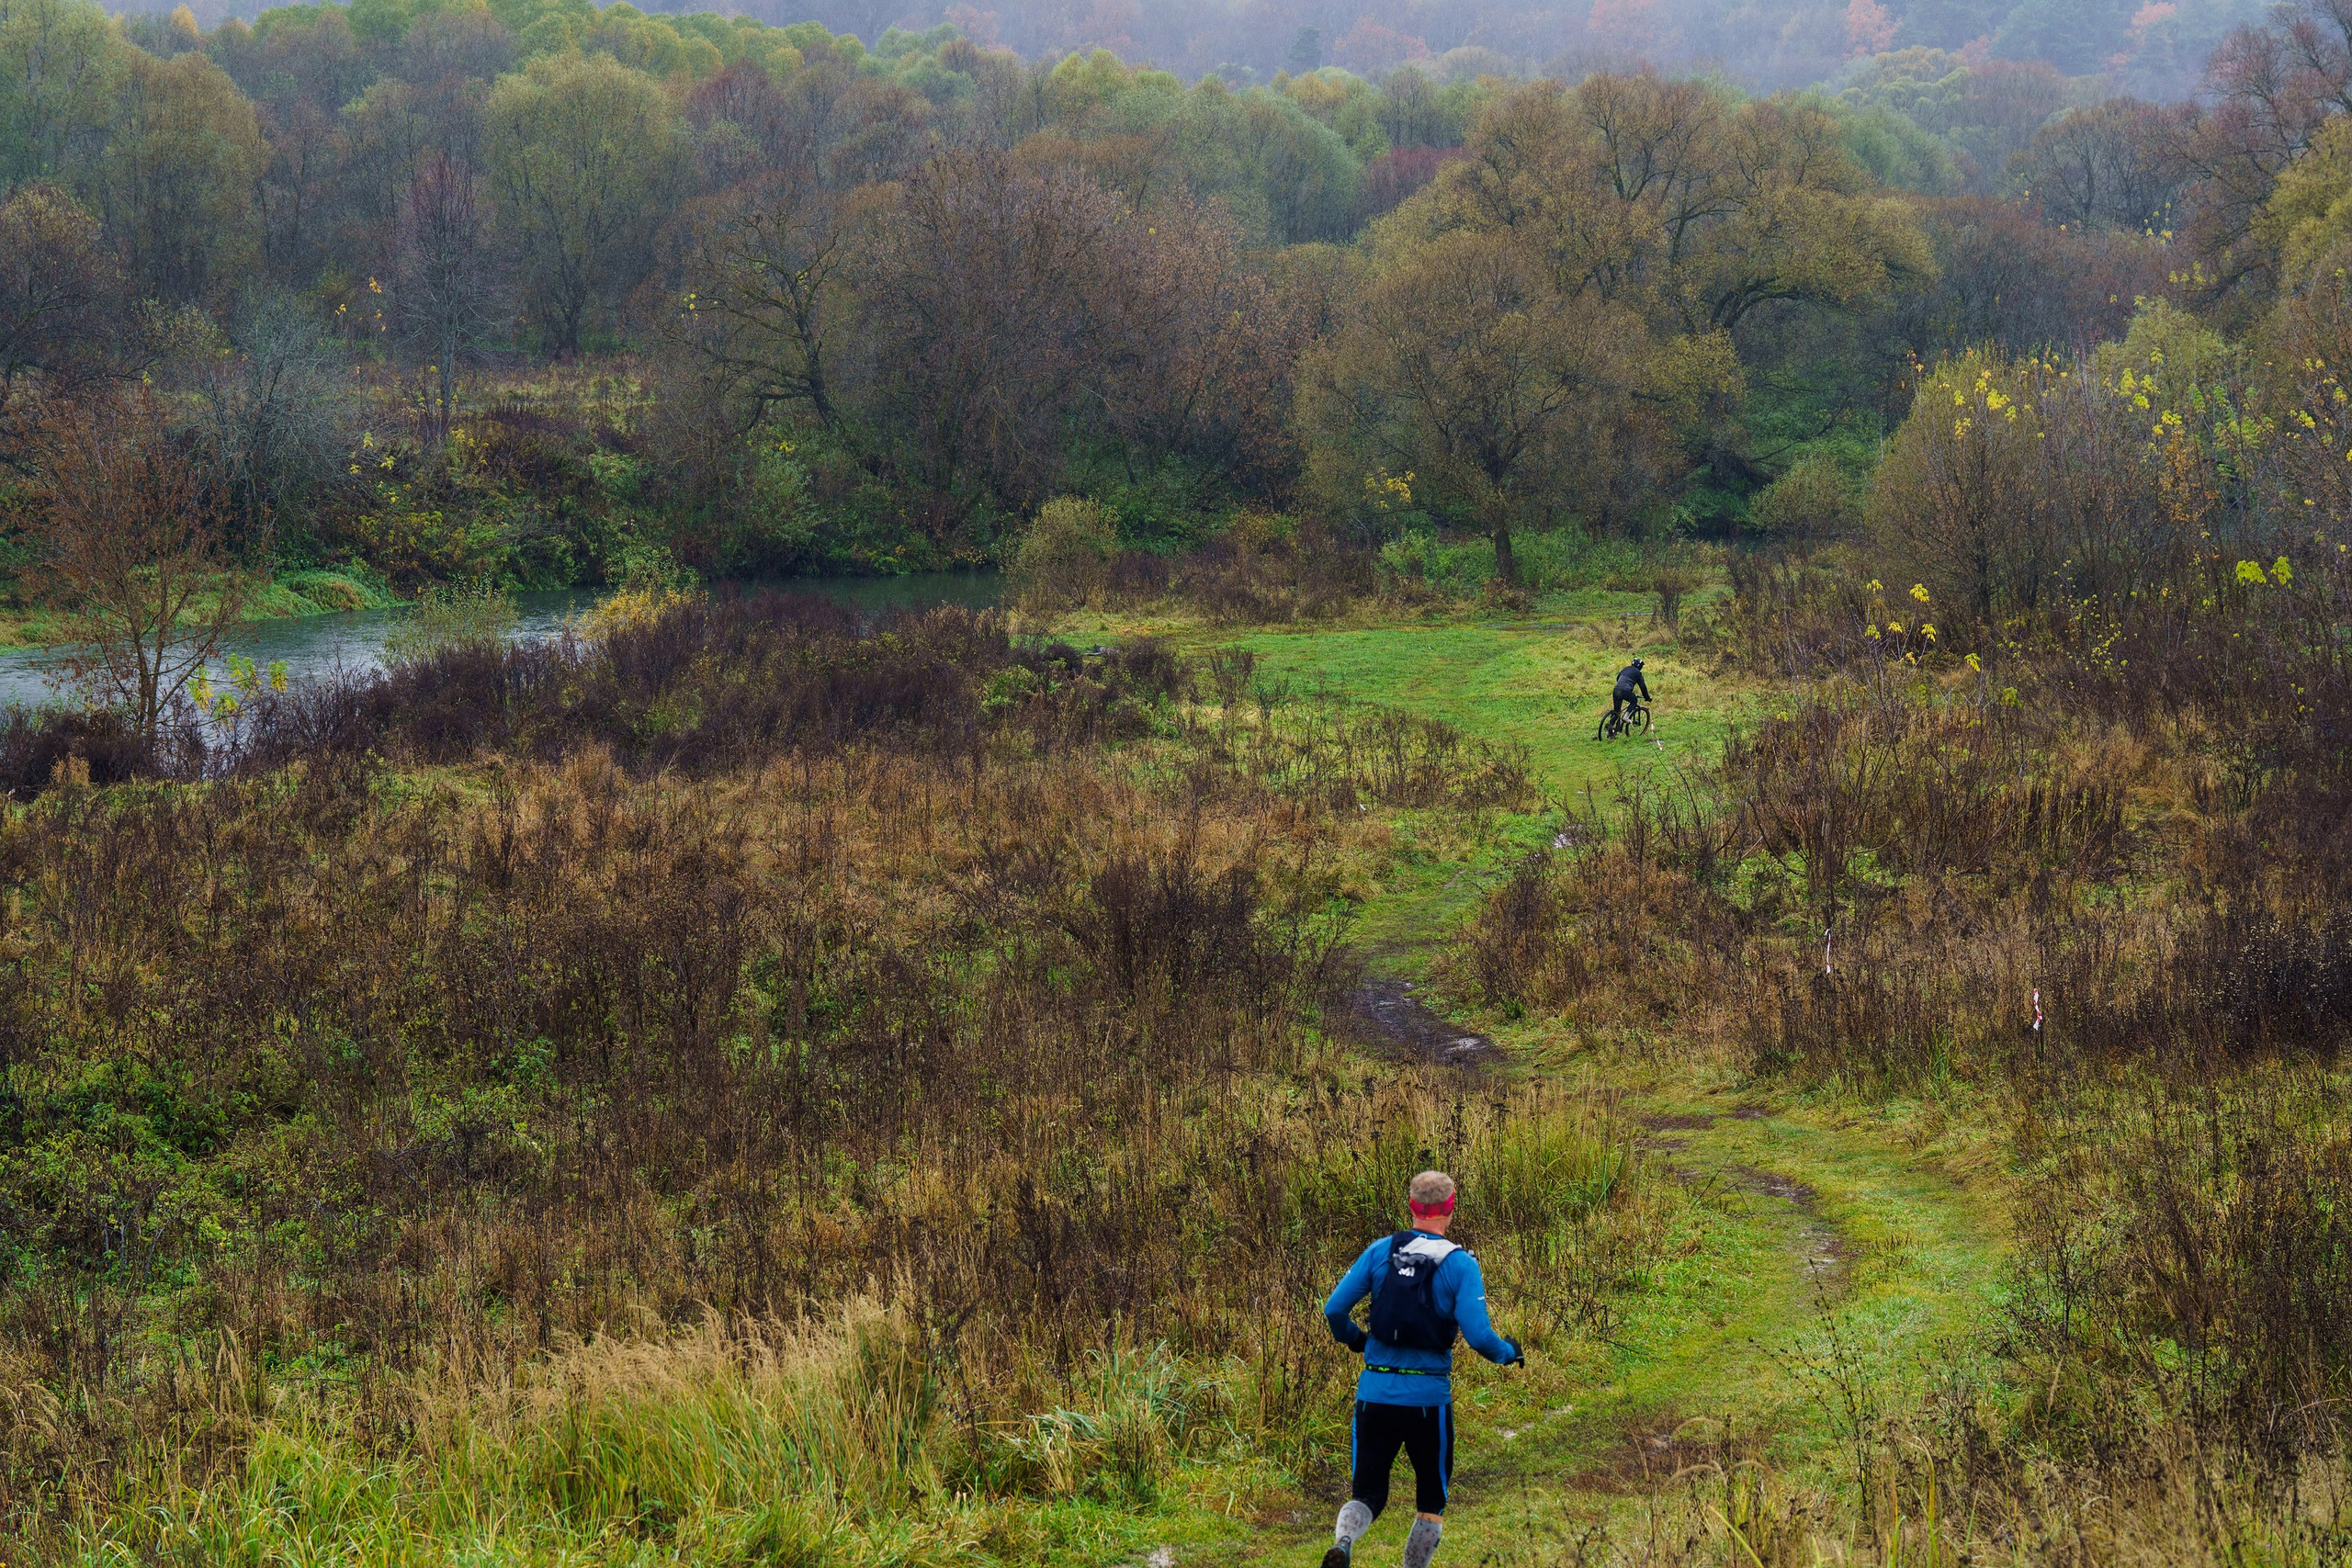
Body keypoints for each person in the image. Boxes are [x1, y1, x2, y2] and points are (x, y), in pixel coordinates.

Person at [1320, 1170, 1521, 1568]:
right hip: (1428, 1402)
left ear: (1412, 1206)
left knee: (1367, 1494)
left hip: (1374, 1394)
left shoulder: (1380, 1251)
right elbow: (1480, 1337)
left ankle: (1344, 1541)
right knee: (1431, 1499)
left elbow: (1334, 1310)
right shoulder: (1460, 1264)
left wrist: (1357, 1340)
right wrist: (1507, 1353)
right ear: (1449, 1208)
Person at [1611, 658, 1650, 726]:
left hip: (1616, 689)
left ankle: (1610, 728)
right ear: (1639, 666)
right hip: (1625, 691)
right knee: (1634, 700)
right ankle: (1625, 717)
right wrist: (1647, 697)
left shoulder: (1626, 669)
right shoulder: (1638, 673)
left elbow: (1618, 678)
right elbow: (1643, 687)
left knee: (1617, 711)